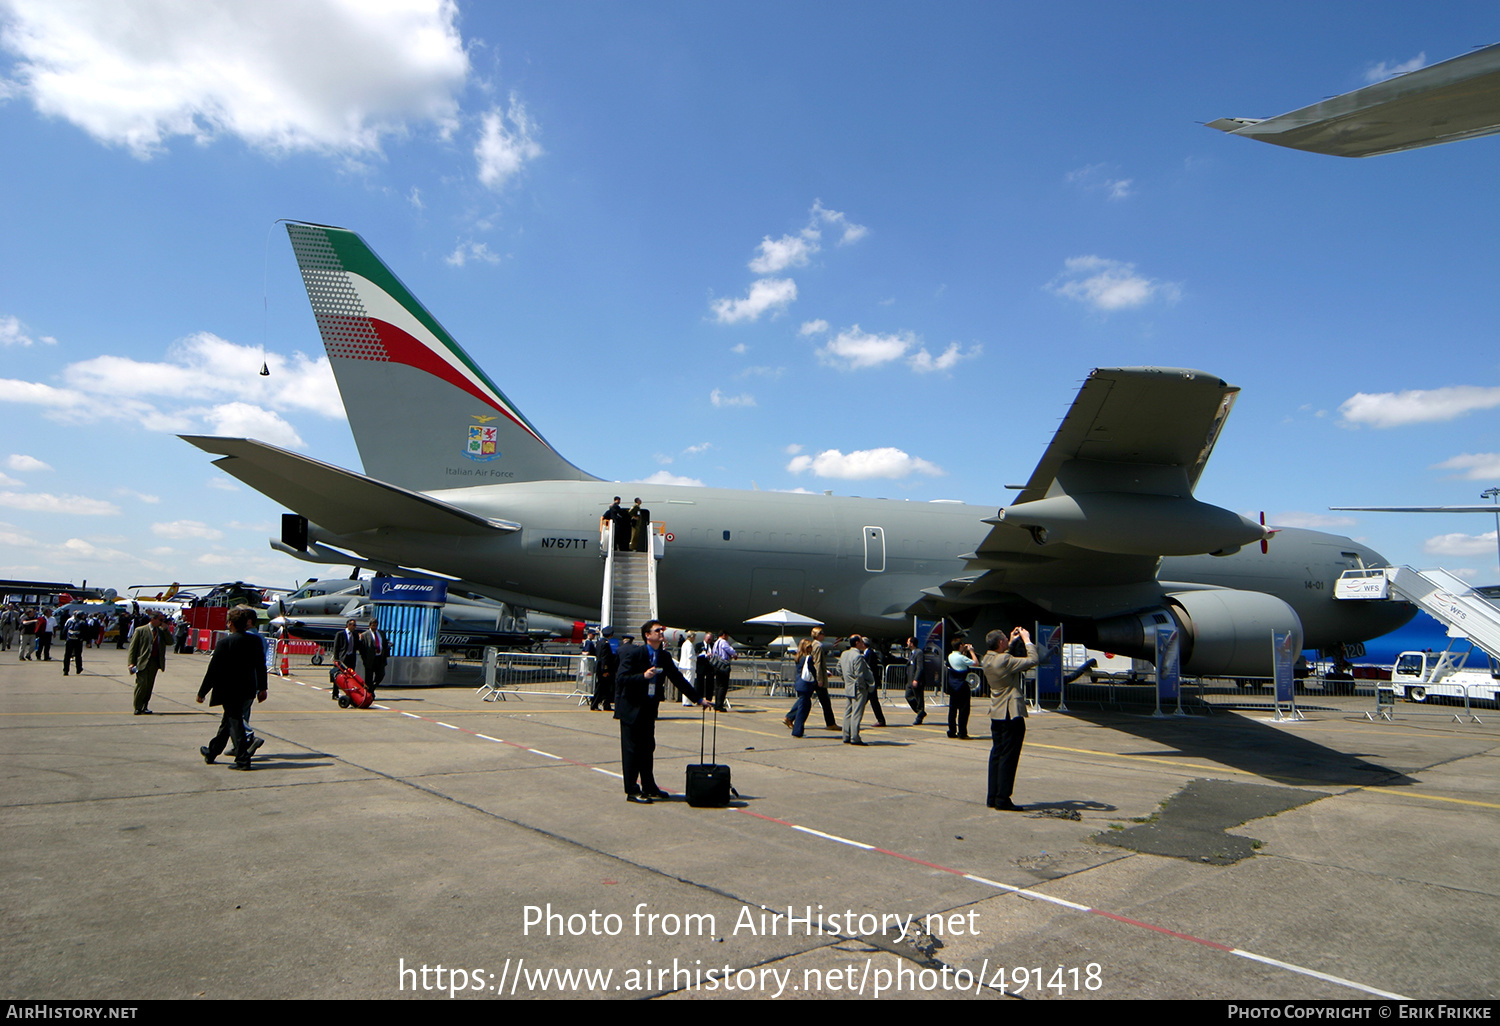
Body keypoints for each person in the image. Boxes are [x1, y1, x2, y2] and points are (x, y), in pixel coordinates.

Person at [614, 619, 709, 803]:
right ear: (647, 635)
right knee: (632, 751)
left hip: (649, 710)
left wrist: (698, 699)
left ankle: (649, 786)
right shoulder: (635, 653)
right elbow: (621, 678)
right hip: (631, 709)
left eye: (662, 630)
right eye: (657, 630)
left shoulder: (663, 656)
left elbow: (678, 679)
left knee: (648, 748)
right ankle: (632, 790)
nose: (661, 633)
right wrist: (643, 676)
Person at [196, 605, 269, 770]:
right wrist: (263, 688)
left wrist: (202, 692)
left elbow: (213, 670)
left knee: (235, 722)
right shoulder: (255, 641)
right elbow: (261, 666)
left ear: (232, 623)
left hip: (228, 690)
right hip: (247, 688)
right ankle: (212, 752)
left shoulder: (224, 643)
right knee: (227, 722)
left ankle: (243, 759)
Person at [981, 627, 1041, 811]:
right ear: (1000, 643)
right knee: (1009, 756)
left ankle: (993, 796)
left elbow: (1002, 656)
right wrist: (1027, 639)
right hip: (1010, 713)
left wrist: (1012, 641)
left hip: (997, 713)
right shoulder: (1005, 660)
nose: (1008, 640)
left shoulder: (987, 659)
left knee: (997, 754)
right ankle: (1003, 798)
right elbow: (1033, 660)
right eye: (1005, 639)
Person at [127, 611, 170, 715]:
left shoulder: (160, 631)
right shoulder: (140, 630)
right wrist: (131, 663)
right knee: (141, 684)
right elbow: (133, 648)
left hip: (155, 662)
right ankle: (137, 706)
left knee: (149, 686)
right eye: (160, 620)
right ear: (153, 619)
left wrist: (166, 630)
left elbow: (170, 642)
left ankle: (145, 706)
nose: (162, 622)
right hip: (142, 661)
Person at [839, 635, 875, 746]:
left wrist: (846, 679)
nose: (862, 644)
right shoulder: (857, 656)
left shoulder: (844, 654)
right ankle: (855, 737)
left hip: (848, 686)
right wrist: (863, 686)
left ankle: (846, 735)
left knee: (848, 712)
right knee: (857, 713)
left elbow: (838, 668)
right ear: (856, 643)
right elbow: (859, 674)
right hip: (857, 688)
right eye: (860, 642)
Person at [946, 639, 979, 739]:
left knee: (952, 709)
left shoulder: (950, 656)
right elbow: (976, 663)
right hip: (962, 685)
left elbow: (960, 662)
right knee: (964, 710)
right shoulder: (961, 658)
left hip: (953, 685)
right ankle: (962, 732)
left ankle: (952, 731)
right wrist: (971, 651)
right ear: (960, 645)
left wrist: (964, 651)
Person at [808, 627, 839, 730]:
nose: (824, 635)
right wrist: (820, 679)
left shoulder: (813, 645)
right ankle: (830, 723)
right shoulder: (818, 647)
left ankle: (790, 717)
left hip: (815, 677)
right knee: (825, 702)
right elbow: (818, 663)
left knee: (805, 699)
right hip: (818, 678)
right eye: (822, 633)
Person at [786, 638, 816, 737]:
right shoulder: (808, 658)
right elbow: (812, 671)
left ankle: (792, 721)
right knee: (803, 709)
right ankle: (797, 731)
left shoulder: (798, 657)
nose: (811, 648)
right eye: (809, 647)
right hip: (806, 684)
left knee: (803, 705)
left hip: (799, 683)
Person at [332, 618, 361, 702]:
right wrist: (336, 658)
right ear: (349, 625)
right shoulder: (340, 634)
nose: (355, 627)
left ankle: (349, 694)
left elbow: (357, 647)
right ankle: (335, 693)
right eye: (353, 625)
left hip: (351, 658)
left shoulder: (355, 635)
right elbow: (336, 647)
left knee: (351, 677)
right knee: (339, 676)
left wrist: (360, 639)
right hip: (342, 658)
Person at [362, 617, 389, 698]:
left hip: (379, 658)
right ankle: (369, 693)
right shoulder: (365, 634)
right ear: (370, 626)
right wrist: (365, 659)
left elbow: (384, 644)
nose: (374, 627)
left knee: (381, 674)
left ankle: (372, 688)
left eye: (376, 626)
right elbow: (362, 648)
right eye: (373, 625)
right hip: (370, 659)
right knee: (369, 678)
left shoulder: (381, 633)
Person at [863, 639, 887, 727]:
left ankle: (881, 720)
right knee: (869, 701)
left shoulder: (870, 653)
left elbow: (869, 668)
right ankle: (881, 720)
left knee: (871, 701)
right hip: (870, 682)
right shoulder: (867, 653)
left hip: (871, 682)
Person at [709, 631, 735, 711]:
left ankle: (717, 703)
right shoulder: (723, 642)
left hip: (716, 665)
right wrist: (734, 654)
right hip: (723, 665)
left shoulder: (716, 643)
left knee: (718, 685)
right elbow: (730, 650)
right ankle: (719, 705)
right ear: (724, 635)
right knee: (723, 686)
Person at [905, 636, 927, 725]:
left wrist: (916, 679)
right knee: (908, 696)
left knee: (919, 698)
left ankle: (920, 716)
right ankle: (920, 712)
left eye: (908, 642)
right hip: (909, 680)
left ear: (912, 643)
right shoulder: (912, 653)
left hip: (916, 680)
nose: (907, 643)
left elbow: (920, 668)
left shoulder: (919, 653)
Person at [61, 611, 86, 676]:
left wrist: (65, 638)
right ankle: (78, 668)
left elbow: (65, 630)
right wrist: (86, 640)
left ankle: (66, 670)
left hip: (69, 640)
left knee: (67, 655)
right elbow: (86, 632)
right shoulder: (82, 623)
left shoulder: (70, 621)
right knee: (78, 655)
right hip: (78, 641)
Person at [677, 630, 698, 707]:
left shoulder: (684, 644)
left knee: (686, 683)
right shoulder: (689, 645)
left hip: (684, 665)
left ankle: (685, 701)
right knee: (689, 683)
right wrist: (696, 657)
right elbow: (690, 656)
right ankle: (688, 701)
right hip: (689, 666)